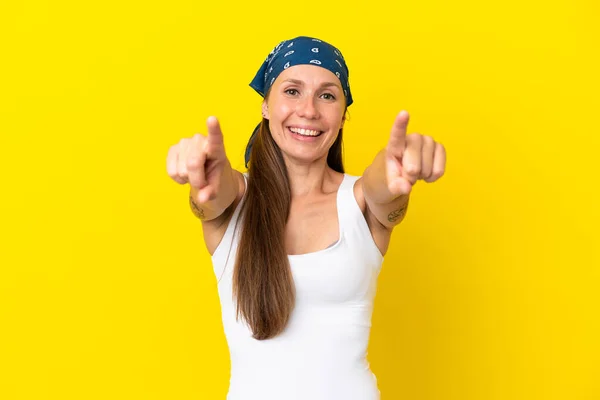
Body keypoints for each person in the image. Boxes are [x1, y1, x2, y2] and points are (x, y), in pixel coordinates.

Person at [166, 36, 446, 400]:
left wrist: (396, 169)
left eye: (327, 95)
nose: (309, 110)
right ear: (266, 105)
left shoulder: (360, 202)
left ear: (343, 114)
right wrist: (202, 174)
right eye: (292, 91)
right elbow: (212, 197)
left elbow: (381, 186)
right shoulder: (234, 200)